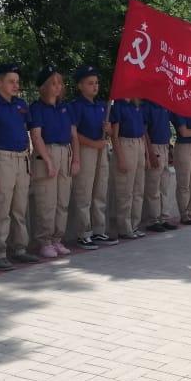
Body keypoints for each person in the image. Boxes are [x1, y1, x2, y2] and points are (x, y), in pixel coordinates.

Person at [0, 63, 40, 269]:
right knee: (2, 207)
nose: (16, 85)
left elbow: (29, 132)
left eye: (17, 82)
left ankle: (20, 249)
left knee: (20, 208)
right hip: (3, 158)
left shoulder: (21, 105)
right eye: (11, 81)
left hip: (22, 158)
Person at [29, 65, 80, 257]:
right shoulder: (37, 108)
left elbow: (74, 136)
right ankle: (45, 241)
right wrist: (48, 161)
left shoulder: (66, 108)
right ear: (43, 87)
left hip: (64, 152)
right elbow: (36, 136)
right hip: (47, 152)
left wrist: (76, 159)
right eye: (53, 83)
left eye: (60, 83)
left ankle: (58, 239)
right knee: (46, 201)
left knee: (62, 201)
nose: (58, 87)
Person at [68, 65, 117, 249]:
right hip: (86, 150)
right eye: (90, 83)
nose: (95, 86)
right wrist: (93, 143)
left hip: (101, 149)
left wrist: (109, 130)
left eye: (96, 83)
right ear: (80, 85)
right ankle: (84, 233)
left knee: (100, 191)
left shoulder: (102, 106)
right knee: (84, 192)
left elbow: (110, 131)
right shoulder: (76, 106)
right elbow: (74, 133)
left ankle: (99, 230)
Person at [108, 97, 149, 239]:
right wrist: (120, 157)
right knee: (125, 189)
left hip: (138, 144)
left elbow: (143, 132)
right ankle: (124, 227)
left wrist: (147, 156)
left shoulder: (136, 105)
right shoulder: (118, 105)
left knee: (138, 189)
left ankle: (134, 224)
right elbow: (115, 134)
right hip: (125, 144)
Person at [140, 99, 177, 232]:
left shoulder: (164, 105)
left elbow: (167, 128)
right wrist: (150, 152)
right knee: (153, 186)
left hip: (165, 146)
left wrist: (170, 148)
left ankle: (164, 218)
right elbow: (144, 131)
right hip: (154, 146)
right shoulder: (147, 106)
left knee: (164, 186)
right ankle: (153, 220)